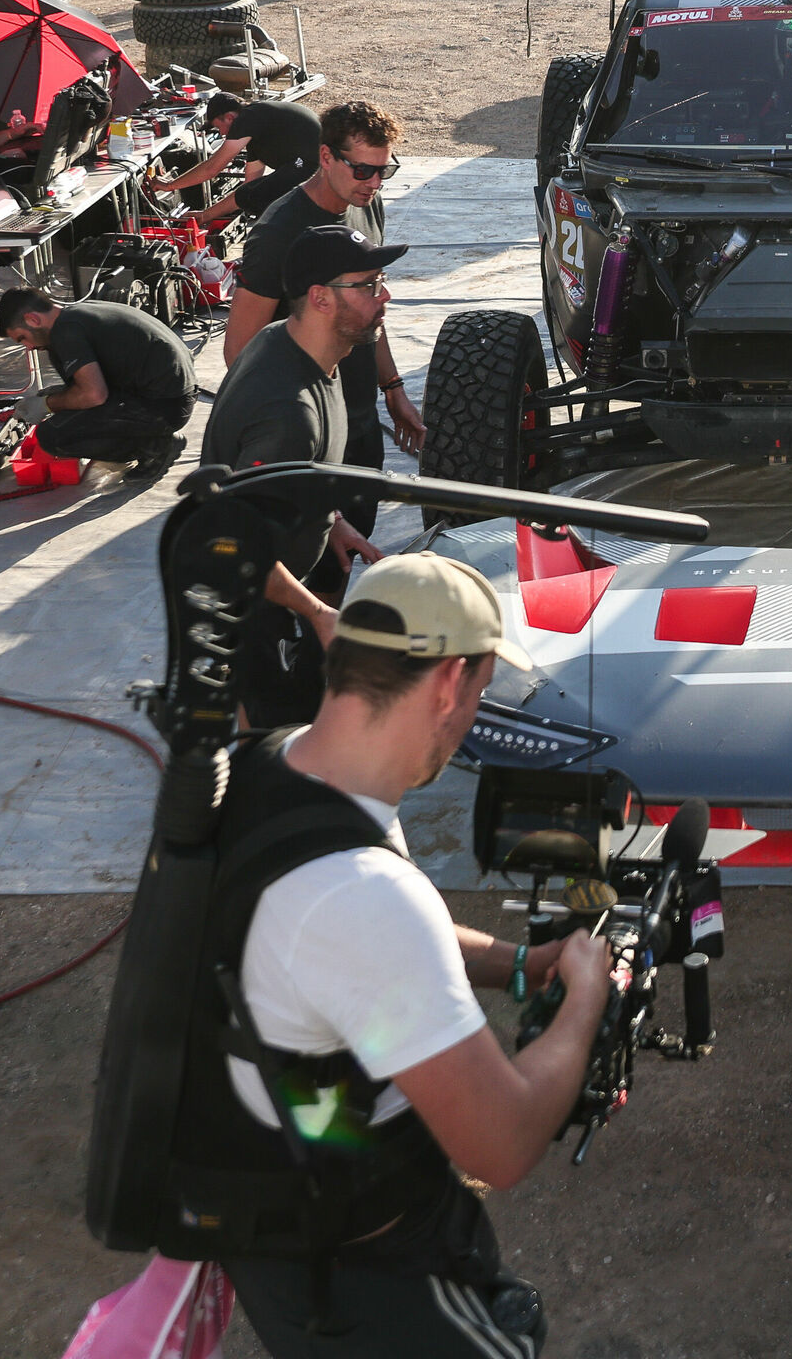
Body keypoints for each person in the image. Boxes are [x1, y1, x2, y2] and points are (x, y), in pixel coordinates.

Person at [207, 554, 605, 1356]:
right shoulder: (367, 900)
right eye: (483, 691)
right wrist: (588, 994)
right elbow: (503, 1144)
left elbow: (345, 958)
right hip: (370, 1268)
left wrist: (519, 965)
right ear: (450, 683)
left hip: (273, 1201)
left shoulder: (274, 767)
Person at [200, 226, 403, 727]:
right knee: (275, 744)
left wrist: (331, 521)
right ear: (320, 299)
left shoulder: (288, 343)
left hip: (283, 583)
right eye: (370, 284)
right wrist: (315, 613)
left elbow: (288, 479)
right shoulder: (288, 415)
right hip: (255, 605)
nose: (386, 295)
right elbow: (236, 546)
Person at [227, 101, 426, 504]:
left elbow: (369, 306)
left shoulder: (366, 204)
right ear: (325, 156)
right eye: (363, 170)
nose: (374, 183)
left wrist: (392, 387)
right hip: (311, 435)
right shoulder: (278, 232)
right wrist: (294, 429)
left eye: (383, 171)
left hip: (358, 418)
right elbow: (240, 352)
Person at [0, 288, 194, 474]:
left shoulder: (65, 331)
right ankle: (152, 440)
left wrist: (47, 404)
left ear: (33, 319)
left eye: (22, 338)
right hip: (175, 394)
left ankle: (155, 447)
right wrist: (59, 394)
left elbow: (94, 395)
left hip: (165, 408)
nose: (28, 347)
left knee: (52, 435)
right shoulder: (77, 314)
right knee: (71, 409)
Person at [150, 89, 326, 228]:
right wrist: (208, 214)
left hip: (315, 161)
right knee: (255, 196)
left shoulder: (247, 118)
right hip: (308, 159)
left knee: (264, 199)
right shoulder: (257, 130)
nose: (222, 133)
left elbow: (212, 168)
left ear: (230, 117)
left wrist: (170, 185)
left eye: (220, 127)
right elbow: (249, 188)